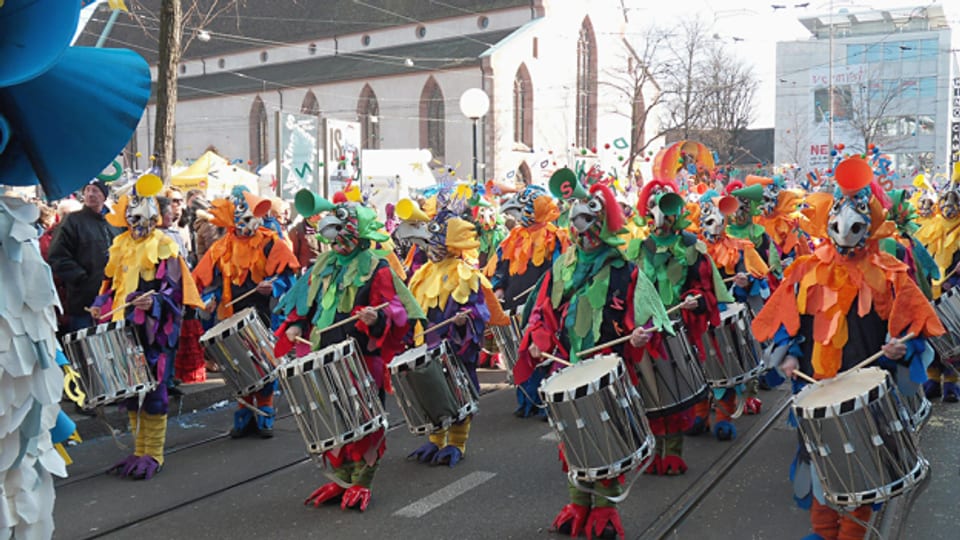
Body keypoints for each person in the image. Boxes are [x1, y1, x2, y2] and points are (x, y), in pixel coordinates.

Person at [753, 157, 944, 540]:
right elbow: (788, 322)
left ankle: (851, 534)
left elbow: (918, 330)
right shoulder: (806, 269)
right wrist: (787, 354)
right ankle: (824, 531)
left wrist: (900, 348)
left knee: (861, 466)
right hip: (814, 384)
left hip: (866, 389)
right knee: (819, 463)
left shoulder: (889, 273)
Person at [515, 177, 671, 539]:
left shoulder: (625, 269)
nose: (579, 230)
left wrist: (639, 332)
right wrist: (538, 341)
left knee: (607, 435)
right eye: (575, 221)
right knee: (572, 438)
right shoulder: (562, 266)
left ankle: (604, 509)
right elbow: (542, 312)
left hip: (609, 365)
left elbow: (649, 314)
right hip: (568, 364)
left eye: (588, 222)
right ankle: (578, 505)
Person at [275, 189, 424, 512]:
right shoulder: (325, 263)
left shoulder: (376, 266)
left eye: (342, 238)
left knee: (365, 417)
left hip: (360, 355)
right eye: (333, 239)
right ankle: (342, 478)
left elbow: (397, 309)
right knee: (333, 415)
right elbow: (307, 299)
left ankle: (362, 481)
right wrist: (298, 323)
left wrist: (377, 316)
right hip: (324, 350)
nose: (335, 245)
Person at [91, 175, 204, 480]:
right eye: (131, 215)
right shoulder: (120, 244)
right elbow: (110, 283)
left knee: (154, 390)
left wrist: (153, 304)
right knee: (131, 391)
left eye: (141, 216)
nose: (135, 221)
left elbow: (174, 290)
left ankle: (153, 453)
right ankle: (138, 449)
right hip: (124, 329)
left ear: (154, 217)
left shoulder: (165, 245)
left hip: (155, 332)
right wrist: (100, 303)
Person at [626, 179, 732, 472]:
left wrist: (694, 300)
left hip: (676, 328)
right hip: (644, 331)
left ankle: (672, 450)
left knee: (675, 391)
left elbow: (704, 287)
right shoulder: (638, 248)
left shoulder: (690, 246)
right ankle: (652, 451)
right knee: (648, 392)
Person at [401, 192, 509, 467]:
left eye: (436, 244)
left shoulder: (466, 273)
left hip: (453, 345)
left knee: (457, 390)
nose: (431, 249)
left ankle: (457, 442)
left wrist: (465, 318)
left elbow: (478, 310)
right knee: (430, 391)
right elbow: (415, 310)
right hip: (428, 344)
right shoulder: (423, 272)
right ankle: (436, 440)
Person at [192, 186, 300, 438]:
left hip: (263, 313)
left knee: (263, 363)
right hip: (231, 313)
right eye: (240, 222)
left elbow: (288, 278)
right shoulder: (221, 247)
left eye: (250, 220)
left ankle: (264, 414)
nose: (244, 227)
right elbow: (210, 281)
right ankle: (243, 413)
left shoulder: (271, 243)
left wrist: (273, 286)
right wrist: (208, 299)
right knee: (237, 363)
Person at [487, 184, 570, 417]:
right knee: (519, 352)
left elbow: (558, 271)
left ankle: (544, 402)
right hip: (515, 303)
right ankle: (525, 401)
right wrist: (499, 289)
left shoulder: (555, 236)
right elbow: (502, 266)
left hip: (541, 306)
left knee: (542, 352)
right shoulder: (514, 236)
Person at [48, 179, 121, 333]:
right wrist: (81, 278)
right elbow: (57, 256)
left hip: (112, 299)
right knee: (85, 348)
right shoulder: (73, 221)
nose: (90, 194)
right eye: (87, 190)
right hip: (84, 301)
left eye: (95, 190)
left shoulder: (114, 224)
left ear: (104, 195)